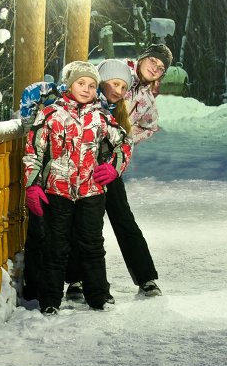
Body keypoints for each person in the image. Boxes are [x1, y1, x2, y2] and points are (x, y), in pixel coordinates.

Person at [22, 60, 132, 314]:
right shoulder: (49, 115)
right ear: (70, 85)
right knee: (55, 246)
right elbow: (33, 152)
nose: (86, 89)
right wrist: (32, 185)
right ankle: (49, 300)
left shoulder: (102, 117)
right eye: (81, 83)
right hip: (56, 191)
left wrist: (115, 166)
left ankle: (99, 296)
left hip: (91, 192)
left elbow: (125, 143)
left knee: (92, 244)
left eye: (92, 85)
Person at [66, 44, 173, 301]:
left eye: (160, 69)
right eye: (153, 61)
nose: (155, 68)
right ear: (143, 57)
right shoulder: (114, 70)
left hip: (109, 165)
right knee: (81, 219)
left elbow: (150, 127)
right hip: (80, 161)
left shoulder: (146, 100)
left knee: (122, 217)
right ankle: (77, 279)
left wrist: (126, 140)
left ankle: (145, 277)